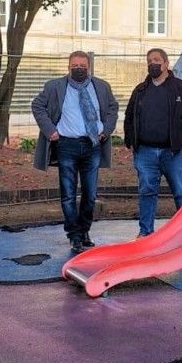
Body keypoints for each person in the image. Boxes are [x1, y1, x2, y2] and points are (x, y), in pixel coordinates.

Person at [31, 50, 119, 254]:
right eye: (75, 66)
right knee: (68, 194)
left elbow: (113, 108)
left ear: (89, 67)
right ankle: (74, 235)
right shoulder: (55, 86)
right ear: (68, 66)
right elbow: (38, 106)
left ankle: (85, 230)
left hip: (93, 145)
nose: (79, 69)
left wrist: (106, 130)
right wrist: (49, 130)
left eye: (83, 66)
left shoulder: (102, 87)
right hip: (67, 145)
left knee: (90, 194)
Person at [123, 48, 182, 238]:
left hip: (175, 152)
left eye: (157, 60)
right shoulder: (140, 90)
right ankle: (145, 233)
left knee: (181, 193)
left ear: (166, 63)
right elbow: (129, 117)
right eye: (149, 60)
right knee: (147, 192)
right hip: (146, 152)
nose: (153, 63)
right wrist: (131, 141)